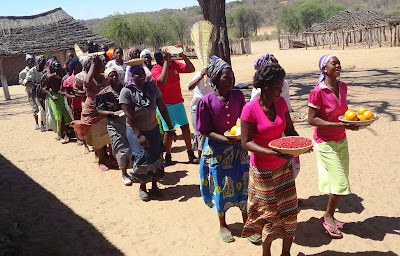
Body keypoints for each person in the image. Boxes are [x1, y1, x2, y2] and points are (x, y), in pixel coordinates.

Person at [241, 63, 300, 256]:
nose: (281, 91)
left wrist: (301, 144)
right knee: (269, 217)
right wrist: (272, 152)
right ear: (265, 87)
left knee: (290, 212)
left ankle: (286, 254)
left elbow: (290, 131)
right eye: (277, 87)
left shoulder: (281, 104)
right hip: (262, 172)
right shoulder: (249, 110)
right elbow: (246, 142)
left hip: (284, 168)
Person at [196, 56, 249, 243]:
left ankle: (247, 222)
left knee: (244, 185)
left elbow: (245, 118)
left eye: (232, 76)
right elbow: (204, 130)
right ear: (217, 79)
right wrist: (226, 139)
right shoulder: (206, 101)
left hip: (238, 150)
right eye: (227, 77)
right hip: (218, 152)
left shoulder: (238, 96)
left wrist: (242, 136)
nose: (231, 80)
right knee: (221, 187)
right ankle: (223, 224)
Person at [308, 54, 358, 239]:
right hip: (325, 143)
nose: (338, 65)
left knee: (340, 180)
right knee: (341, 183)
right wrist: (339, 124)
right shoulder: (318, 91)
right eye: (333, 63)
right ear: (324, 69)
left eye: (339, 63)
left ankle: (332, 215)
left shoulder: (343, 87)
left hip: (341, 140)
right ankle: (328, 215)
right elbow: (312, 119)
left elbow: (344, 113)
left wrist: (354, 123)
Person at [120, 63, 177, 201]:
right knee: (142, 157)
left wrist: (170, 127)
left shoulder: (152, 87)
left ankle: (155, 185)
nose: (141, 76)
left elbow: (162, 108)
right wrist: (139, 135)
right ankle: (142, 187)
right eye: (137, 73)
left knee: (156, 156)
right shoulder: (126, 92)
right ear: (131, 76)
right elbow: (129, 116)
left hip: (153, 128)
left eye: (142, 73)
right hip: (135, 131)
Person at [151, 48, 199, 165]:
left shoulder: (175, 65)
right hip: (164, 105)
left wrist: (183, 55)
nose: (171, 58)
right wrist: (166, 63)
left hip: (178, 102)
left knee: (186, 128)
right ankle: (168, 155)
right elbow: (162, 81)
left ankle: (190, 153)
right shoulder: (156, 69)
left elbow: (191, 69)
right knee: (168, 131)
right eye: (167, 57)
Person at [96, 68, 133, 186]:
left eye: (115, 75)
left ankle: (134, 170)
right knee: (121, 148)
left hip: (127, 122)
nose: (114, 78)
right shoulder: (104, 94)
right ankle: (124, 173)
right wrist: (112, 114)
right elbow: (99, 110)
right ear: (107, 79)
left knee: (132, 147)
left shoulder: (124, 89)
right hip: (113, 124)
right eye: (111, 76)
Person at [42, 61, 72, 143]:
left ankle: (66, 133)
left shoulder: (62, 76)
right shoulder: (50, 77)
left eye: (59, 67)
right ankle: (59, 133)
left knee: (66, 116)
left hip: (62, 97)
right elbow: (44, 88)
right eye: (56, 67)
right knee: (58, 116)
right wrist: (52, 96)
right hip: (54, 97)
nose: (58, 69)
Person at [187, 68, 213, 158]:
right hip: (197, 108)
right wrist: (201, 76)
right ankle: (201, 159)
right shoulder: (199, 74)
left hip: (210, 109)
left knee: (208, 135)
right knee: (199, 135)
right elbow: (190, 87)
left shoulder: (215, 76)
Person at [23, 55, 46, 131]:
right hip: (34, 92)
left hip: (43, 91)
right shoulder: (33, 71)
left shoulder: (45, 70)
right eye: (41, 62)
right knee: (37, 108)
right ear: (38, 62)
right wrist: (37, 85)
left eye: (44, 62)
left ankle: (44, 123)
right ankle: (38, 124)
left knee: (44, 107)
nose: (43, 64)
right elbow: (27, 81)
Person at [19, 54, 39, 130]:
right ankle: (37, 123)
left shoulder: (36, 70)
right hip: (30, 92)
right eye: (30, 62)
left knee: (41, 106)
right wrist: (27, 82)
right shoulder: (23, 72)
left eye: (33, 62)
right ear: (27, 63)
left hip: (38, 91)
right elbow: (21, 82)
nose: (32, 63)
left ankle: (43, 122)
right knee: (34, 107)